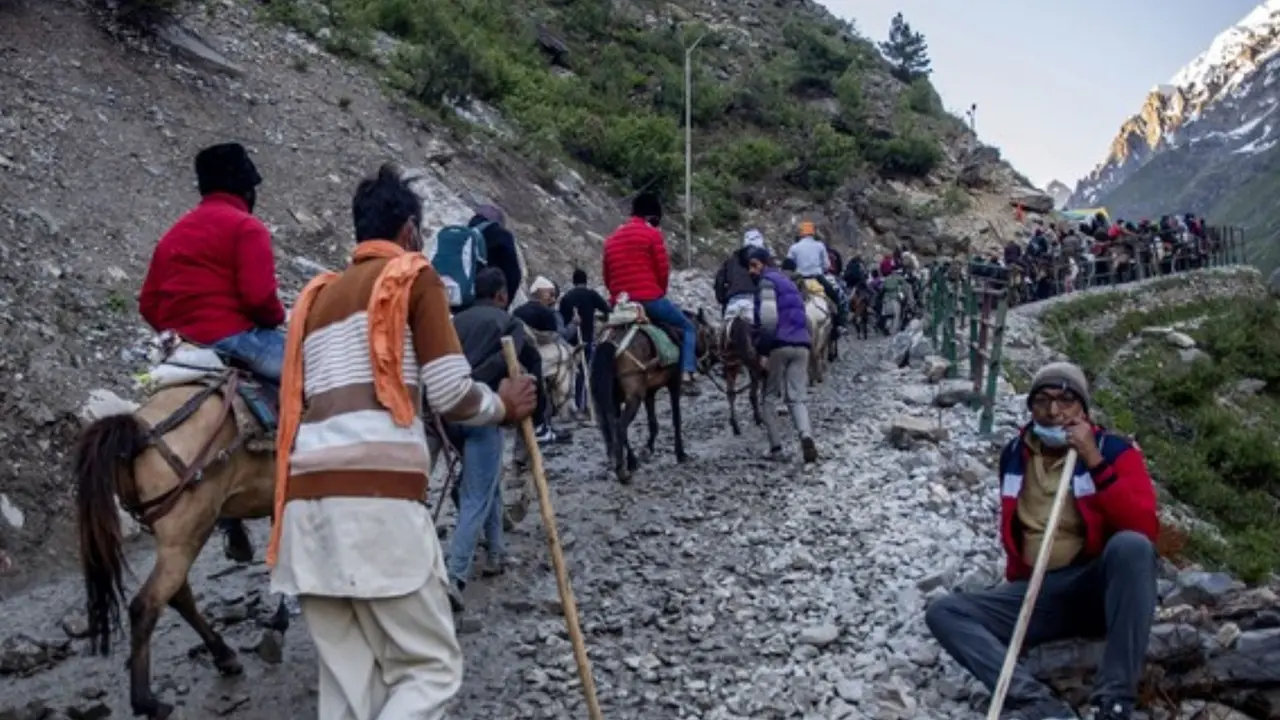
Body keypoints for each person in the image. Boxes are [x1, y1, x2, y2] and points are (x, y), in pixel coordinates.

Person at [268, 164, 537, 720]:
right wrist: (503, 405)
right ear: (412, 232)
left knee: (347, 689)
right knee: (429, 669)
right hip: (376, 503)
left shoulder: (315, 298)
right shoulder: (413, 277)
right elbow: (450, 393)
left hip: (305, 509)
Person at [925, 362, 1158, 720]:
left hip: (1095, 587)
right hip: (1040, 593)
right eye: (1043, 401)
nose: (1053, 412)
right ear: (1030, 407)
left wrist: (1093, 460)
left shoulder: (1114, 451)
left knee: (1132, 546)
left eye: (1066, 401)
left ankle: (1114, 702)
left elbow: (1142, 528)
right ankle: (1037, 703)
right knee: (945, 612)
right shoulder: (1015, 454)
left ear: (1083, 408)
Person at [139, 142, 286, 382]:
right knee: (319, 377)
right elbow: (259, 297)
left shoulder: (172, 235)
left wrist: (182, 331)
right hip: (232, 340)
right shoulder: (246, 227)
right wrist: (277, 317)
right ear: (247, 191)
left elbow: (148, 303)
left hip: (179, 349)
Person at [448, 268, 529, 612]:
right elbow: (513, 366)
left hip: (448, 414)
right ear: (501, 295)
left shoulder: (454, 321)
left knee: (487, 479)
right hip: (484, 410)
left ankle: (495, 551)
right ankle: (455, 576)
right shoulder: (510, 324)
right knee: (476, 495)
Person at [601, 192, 700, 395]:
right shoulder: (652, 234)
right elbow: (662, 270)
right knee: (688, 327)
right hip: (648, 298)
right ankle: (687, 374)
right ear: (652, 216)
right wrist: (659, 294)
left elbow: (607, 275)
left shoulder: (611, 240)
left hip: (620, 303)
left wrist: (617, 296)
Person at [745, 247, 817, 464]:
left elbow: (768, 321)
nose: (751, 271)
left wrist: (764, 352)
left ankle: (776, 448)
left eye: (753, 265)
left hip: (779, 344)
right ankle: (806, 435)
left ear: (761, 264)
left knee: (769, 396)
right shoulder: (790, 283)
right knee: (797, 396)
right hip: (802, 344)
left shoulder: (767, 283)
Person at [509, 277, 571, 444]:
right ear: (541, 294)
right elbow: (556, 336)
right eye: (550, 294)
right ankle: (543, 425)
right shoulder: (547, 313)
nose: (552, 297)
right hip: (539, 356)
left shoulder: (518, 311)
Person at [559, 268, 611, 415]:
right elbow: (607, 310)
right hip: (586, 339)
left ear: (573, 281)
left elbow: (561, 321)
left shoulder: (566, 297)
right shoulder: (591, 295)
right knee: (584, 372)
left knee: (569, 373)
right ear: (586, 280)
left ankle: (569, 405)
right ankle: (581, 405)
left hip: (569, 341)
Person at [786, 221, 846, 329]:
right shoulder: (820, 246)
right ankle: (839, 325)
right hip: (817, 278)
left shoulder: (794, 247)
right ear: (813, 233)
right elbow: (826, 265)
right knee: (835, 297)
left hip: (799, 280)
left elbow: (789, 265)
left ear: (801, 233)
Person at [715, 229, 764, 321]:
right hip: (753, 302)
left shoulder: (731, 260)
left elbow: (719, 280)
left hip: (733, 301)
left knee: (725, 332)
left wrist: (722, 298)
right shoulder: (763, 261)